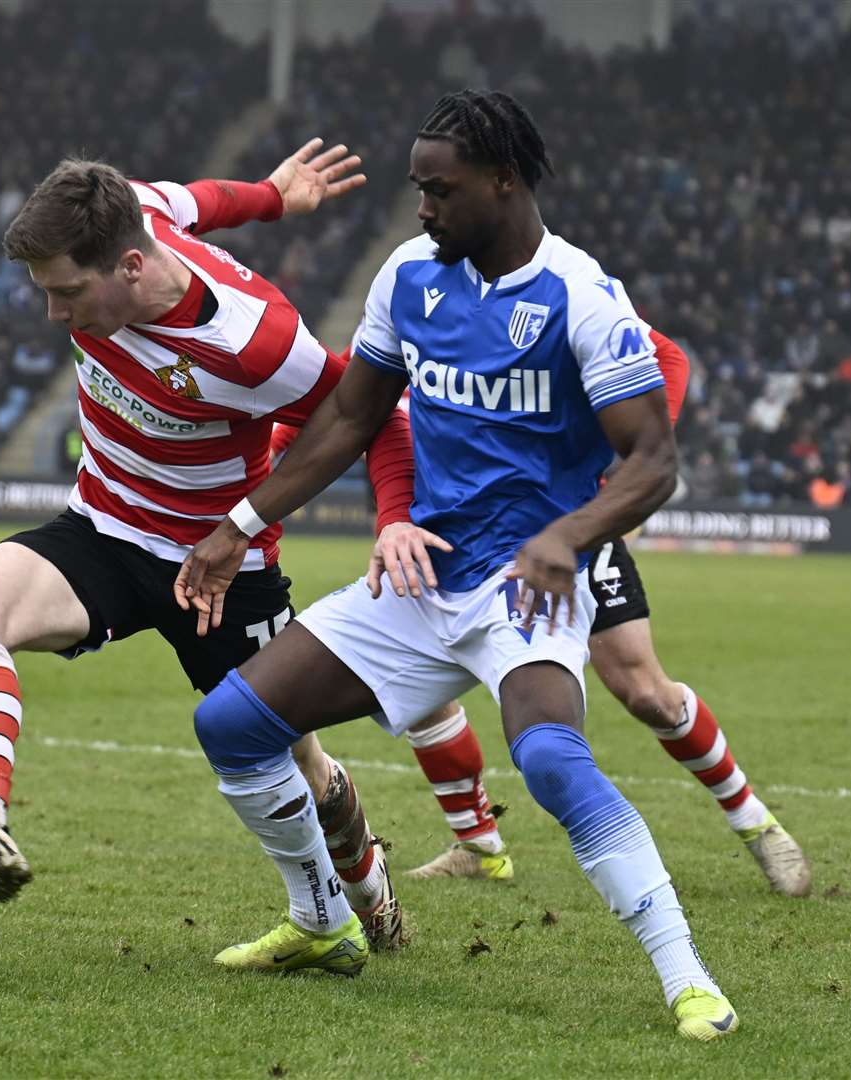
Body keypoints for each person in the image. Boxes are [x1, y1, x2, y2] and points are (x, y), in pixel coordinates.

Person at [178, 90, 738, 1040]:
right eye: (417, 191)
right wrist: (238, 523)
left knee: (554, 762)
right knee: (231, 722)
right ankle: (322, 922)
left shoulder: (584, 299)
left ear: (505, 182)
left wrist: (565, 537)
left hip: (524, 584)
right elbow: (352, 419)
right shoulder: (409, 279)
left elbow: (654, 462)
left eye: (440, 191)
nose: (423, 210)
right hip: (421, 576)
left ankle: (689, 980)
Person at [0, 143, 436, 954]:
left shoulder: (254, 341)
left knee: (295, 758)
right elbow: (198, 197)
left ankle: (369, 897)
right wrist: (271, 195)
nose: (55, 316)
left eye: (67, 293)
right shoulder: (135, 206)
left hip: (222, 574)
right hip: (101, 526)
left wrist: (389, 517)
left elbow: (368, 417)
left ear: (130, 266)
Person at [395, 331, 810, 899]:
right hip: (457, 544)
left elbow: (666, 356)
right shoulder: (416, 300)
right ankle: (479, 846)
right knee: (412, 690)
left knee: (645, 693)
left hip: (561, 531)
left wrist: (628, 474)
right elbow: (343, 387)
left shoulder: (553, 291)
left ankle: (755, 821)